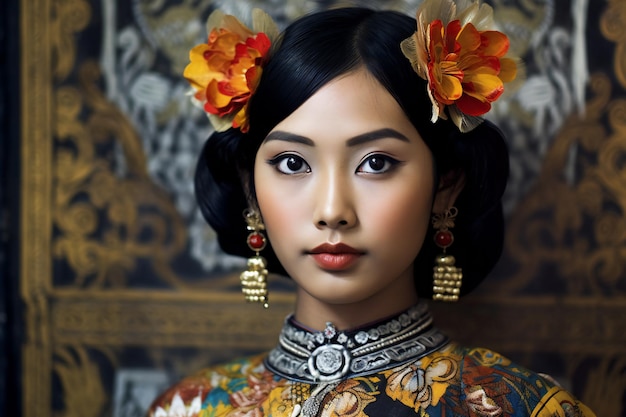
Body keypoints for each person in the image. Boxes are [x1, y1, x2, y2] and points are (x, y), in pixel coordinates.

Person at [148, 1, 596, 416]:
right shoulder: (191, 407)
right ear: (251, 190)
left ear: (446, 187)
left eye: (376, 163)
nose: (332, 211)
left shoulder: (521, 408)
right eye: (292, 163)